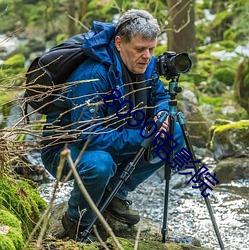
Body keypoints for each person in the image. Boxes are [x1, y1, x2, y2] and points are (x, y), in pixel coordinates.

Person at [41, 9, 185, 241]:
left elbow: (159, 97)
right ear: (119, 43)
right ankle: (76, 221)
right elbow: (87, 136)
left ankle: (115, 193)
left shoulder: (145, 64)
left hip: (116, 134)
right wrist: (141, 136)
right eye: (140, 49)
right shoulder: (92, 75)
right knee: (100, 164)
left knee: (174, 133)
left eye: (152, 49)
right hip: (66, 150)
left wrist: (161, 115)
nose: (147, 56)